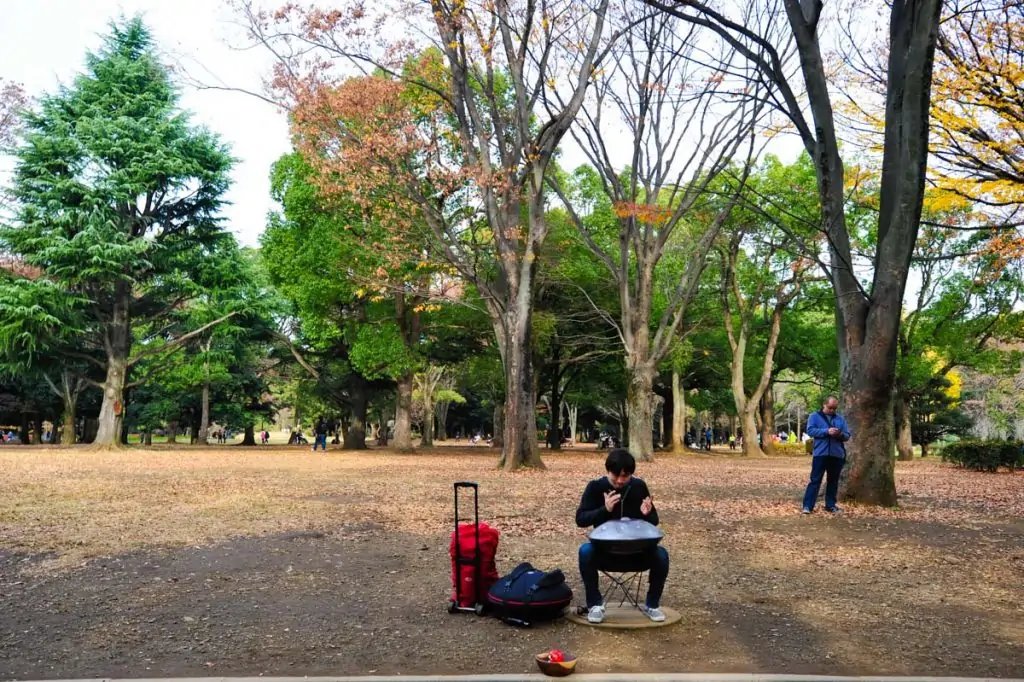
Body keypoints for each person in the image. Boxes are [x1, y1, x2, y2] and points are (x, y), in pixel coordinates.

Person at [575, 448, 668, 624]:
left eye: (625, 476)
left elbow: (654, 521)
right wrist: (605, 510)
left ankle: (652, 604)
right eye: (615, 475)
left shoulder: (639, 486)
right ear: (607, 470)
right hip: (605, 553)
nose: (619, 480)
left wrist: (647, 513)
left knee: (661, 555)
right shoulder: (595, 487)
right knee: (585, 551)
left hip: (637, 553)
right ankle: (595, 605)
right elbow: (580, 519)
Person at [802, 396, 851, 514]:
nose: (832, 410)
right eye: (830, 408)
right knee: (815, 480)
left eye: (835, 408)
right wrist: (826, 431)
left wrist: (839, 434)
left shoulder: (840, 419)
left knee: (833, 481)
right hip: (820, 453)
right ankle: (808, 506)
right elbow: (810, 430)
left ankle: (830, 505)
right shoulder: (814, 417)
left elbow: (847, 435)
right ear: (824, 405)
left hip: (836, 454)